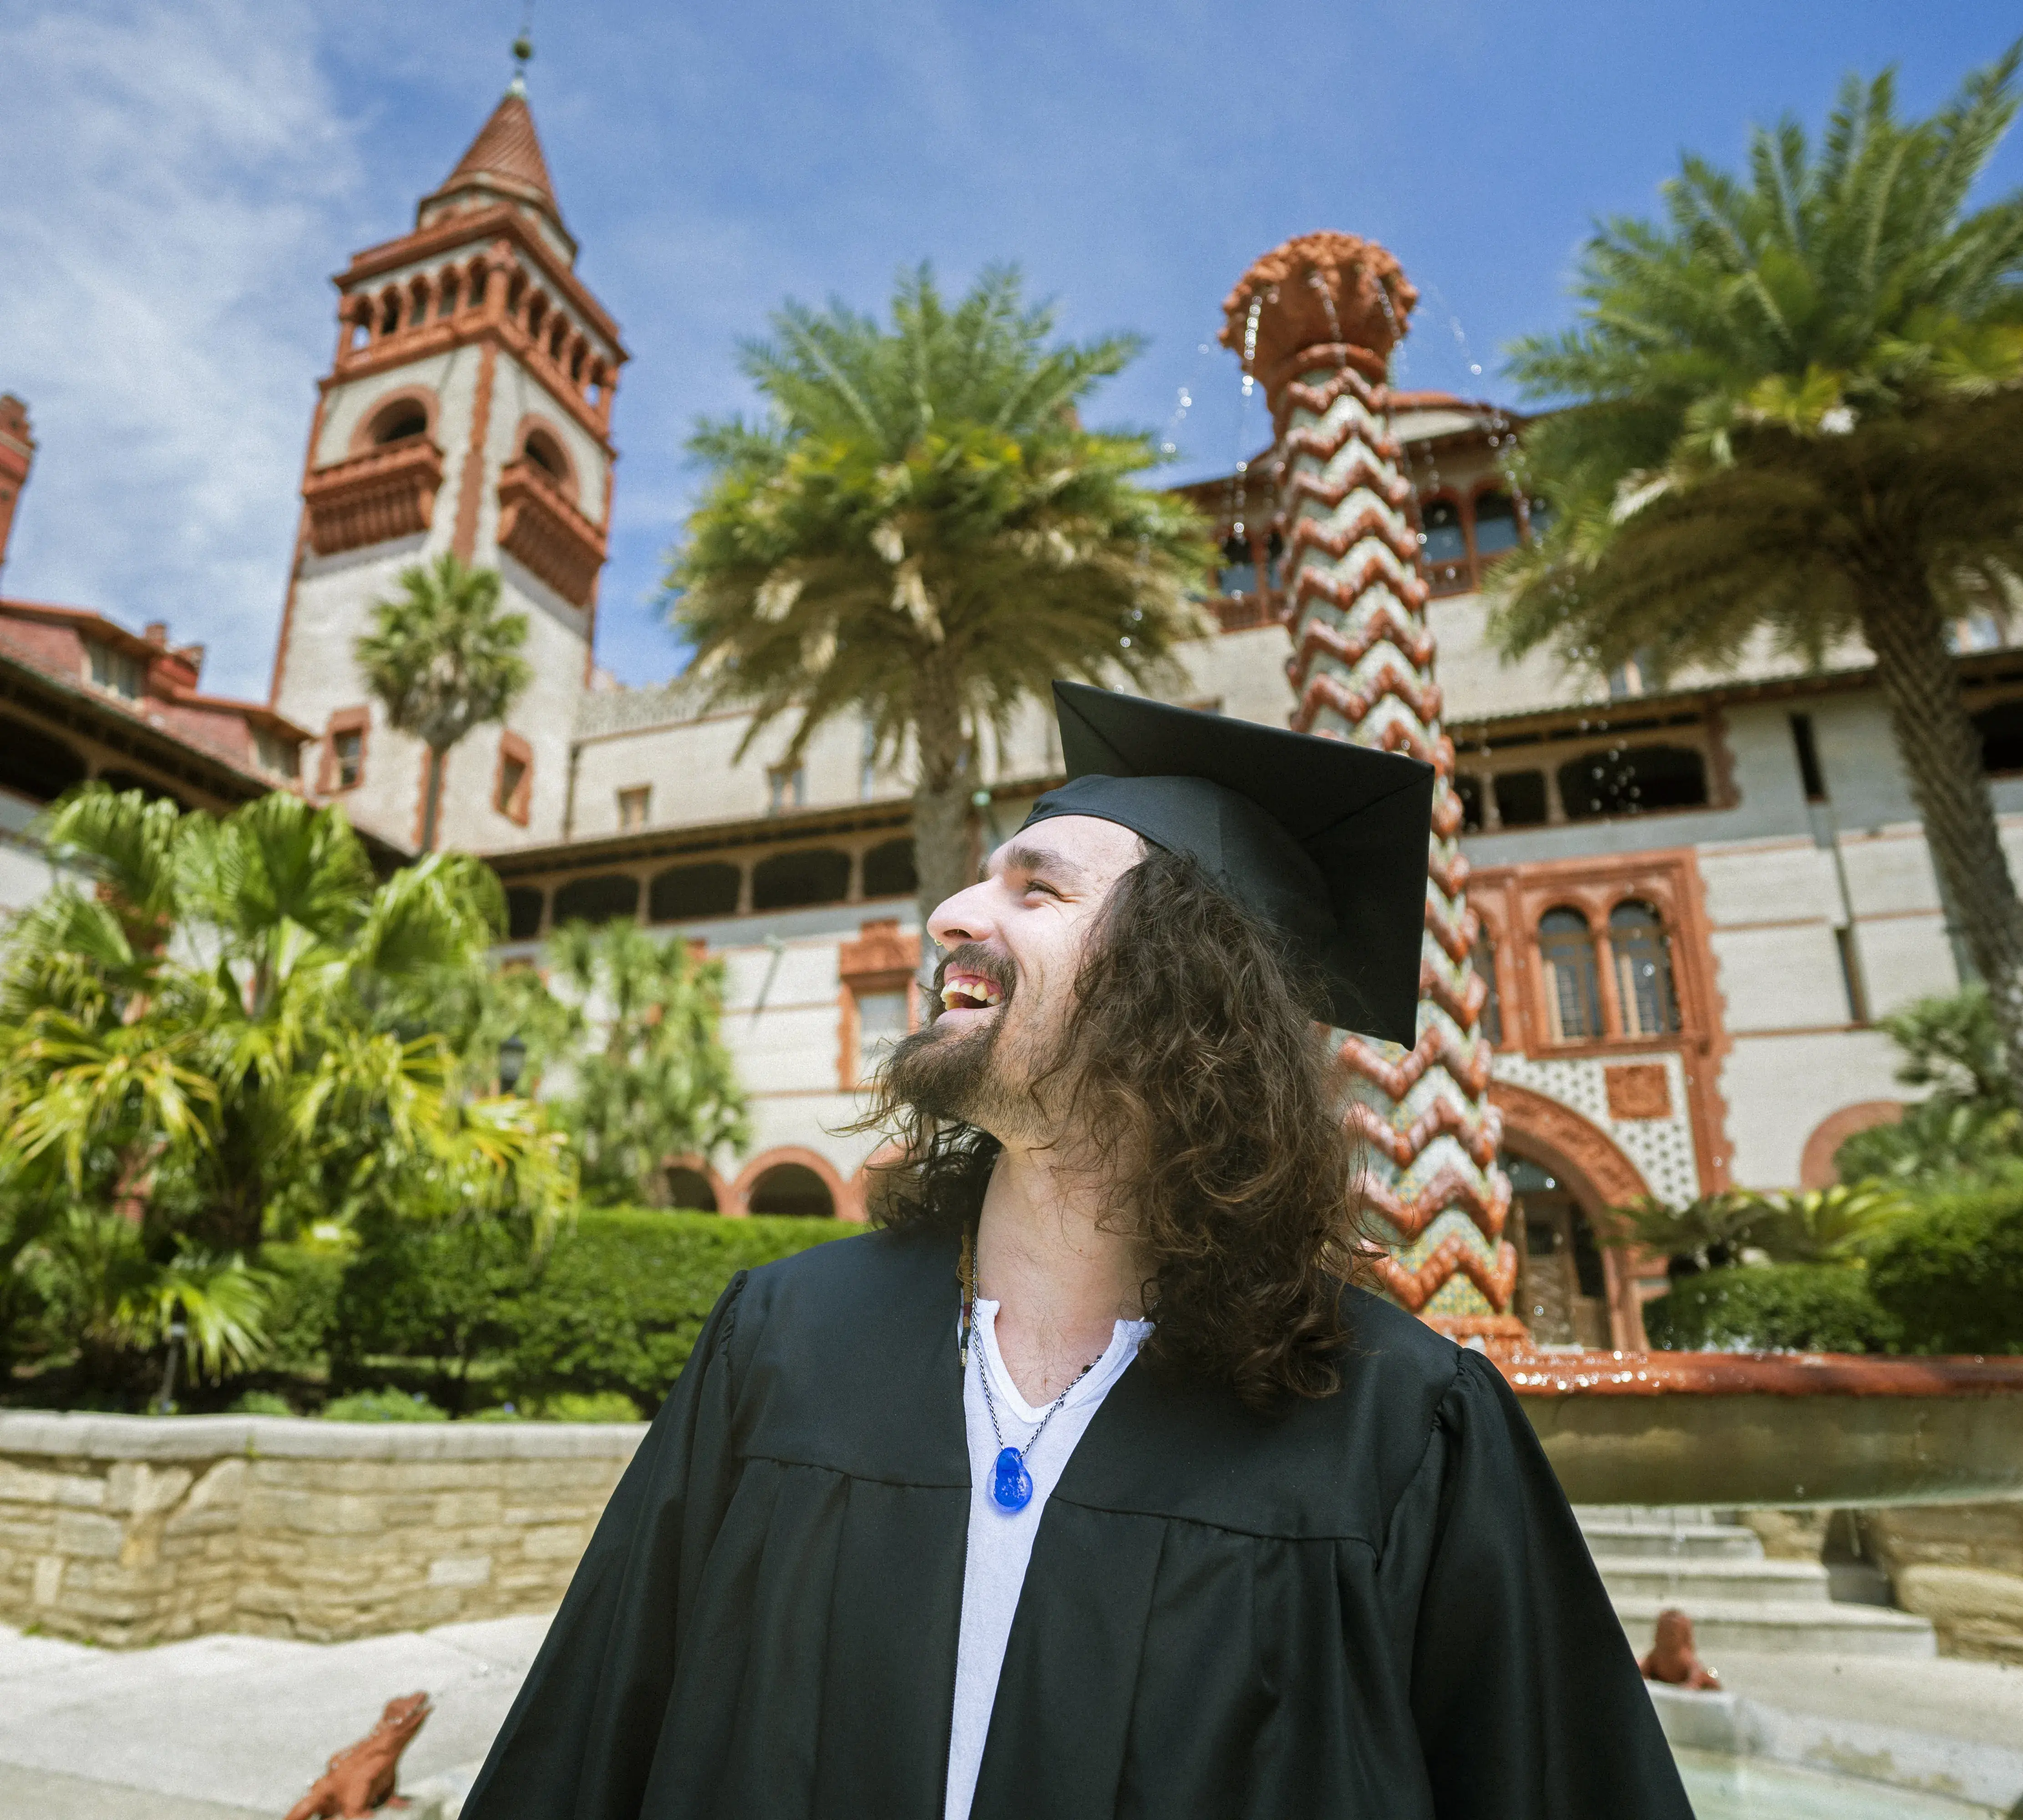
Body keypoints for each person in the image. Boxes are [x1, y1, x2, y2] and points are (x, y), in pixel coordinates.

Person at [464, 682, 1692, 1820]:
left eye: (1034, 889)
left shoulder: (1394, 1424)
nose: (949, 913)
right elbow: (584, 1750)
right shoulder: (784, 1343)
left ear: (1186, 981)